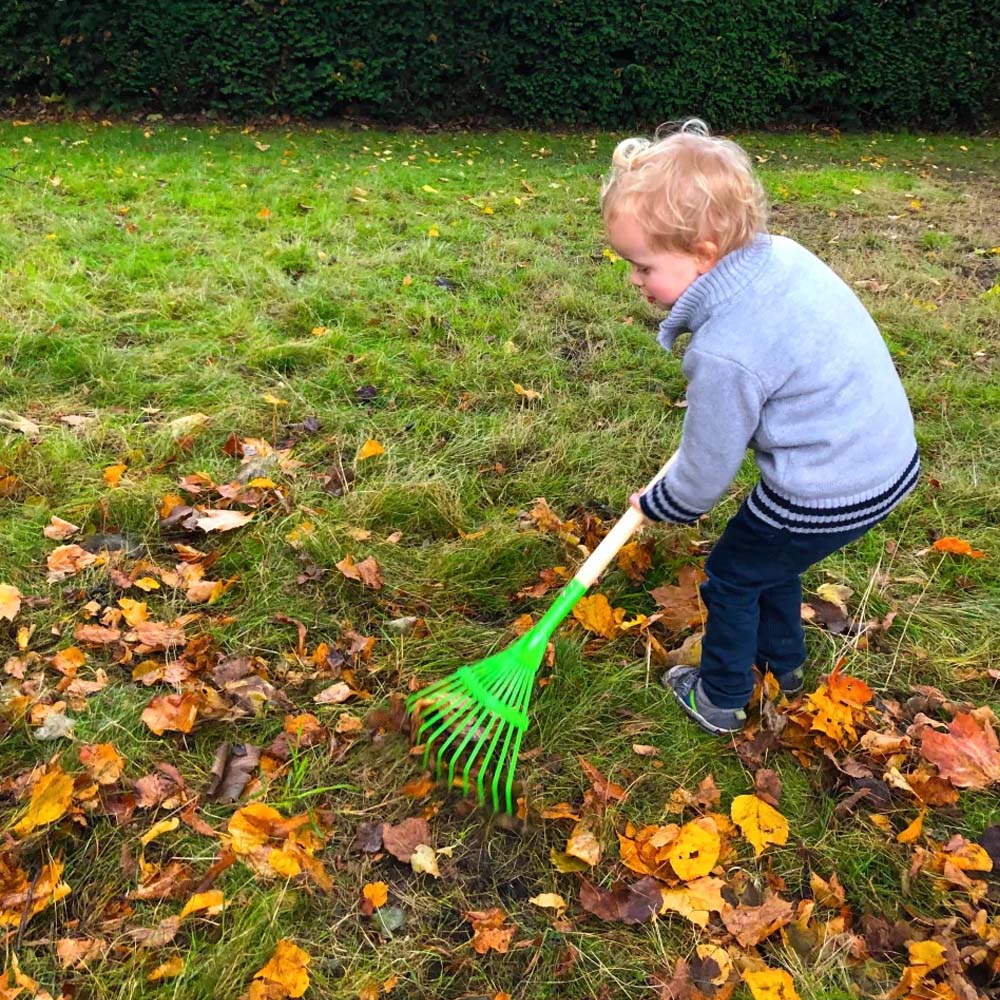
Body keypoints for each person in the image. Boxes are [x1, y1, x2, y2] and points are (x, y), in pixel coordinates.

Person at [601, 119, 919, 735]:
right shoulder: (782, 256)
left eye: (642, 266)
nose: (634, 281)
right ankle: (783, 664)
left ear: (704, 254)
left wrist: (662, 503)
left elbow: (705, 469)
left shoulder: (725, 351)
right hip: (882, 458)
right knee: (770, 557)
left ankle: (720, 697)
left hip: (826, 486)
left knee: (732, 576)